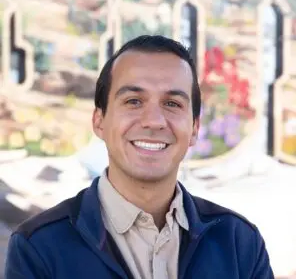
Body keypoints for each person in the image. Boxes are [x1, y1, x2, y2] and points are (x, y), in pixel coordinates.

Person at [5, 35, 274, 279]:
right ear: (99, 121)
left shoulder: (239, 243)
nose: (154, 121)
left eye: (172, 104)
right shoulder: (39, 246)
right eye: (133, 101)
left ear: (194, 129)